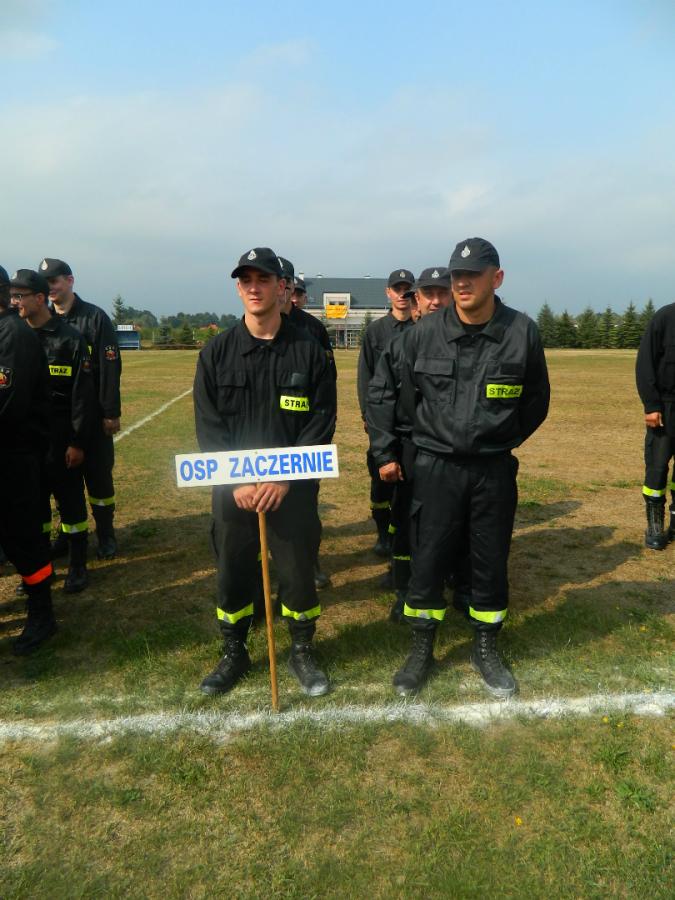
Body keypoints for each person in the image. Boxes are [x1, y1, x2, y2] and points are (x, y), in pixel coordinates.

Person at [393, 238, 550, 698]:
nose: (462, 284)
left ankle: (485, 647)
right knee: (428, 559)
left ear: (496, 278)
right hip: (436, 468)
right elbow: (406, 396)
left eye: (473, 275)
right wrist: (436, 439)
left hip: (492, 470)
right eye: (456, 276)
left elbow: (536, 402)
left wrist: (497, 440)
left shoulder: (521, 332)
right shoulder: (424, 333)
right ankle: (421, 649)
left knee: (489, 560)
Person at [194, 247, 337, 697]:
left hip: (290, 491)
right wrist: (236, 481)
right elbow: (209, 426)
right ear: (239, 289)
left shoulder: (309, 352)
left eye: (263, 280)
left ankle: (301, 650)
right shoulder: (217, 353)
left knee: (297, 574)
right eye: (246, 281)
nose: (254, 288)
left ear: (282, 288)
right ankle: (234, 650)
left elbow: (321, 421)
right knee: (233, 572)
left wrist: (283, 478)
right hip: (234, 493)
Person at [366, 267, 452, 622]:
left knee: (448, 523)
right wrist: (385, 453)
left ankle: (448, 582)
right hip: (409, 449)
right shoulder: (399, 344)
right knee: (406, 524)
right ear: (417, 300)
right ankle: (403, 590)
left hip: (452, 453)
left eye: (442, 293)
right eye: (428, 294)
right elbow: (380, 399)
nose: (435, 301)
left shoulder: (467, 344)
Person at [13, 269, 96, 592]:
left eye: (20, 296)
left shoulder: (69, 339)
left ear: (39, 298)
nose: (14, 301)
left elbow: (82, 397)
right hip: (27, 442)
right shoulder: (16, 337)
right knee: (34, 509)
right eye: (12, 295)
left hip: (61, 439)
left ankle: (78, 566)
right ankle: (42, 569)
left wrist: (77, 442)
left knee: (71, 505)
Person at [39, 258, 121, 559]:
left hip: (94, 416)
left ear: (70, 281)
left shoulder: (95, 318)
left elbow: (110, 367)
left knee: (99, 479)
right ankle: (68, 534)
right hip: (62, 420)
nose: (50, 288)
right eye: (45, 284)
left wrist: (110, 412)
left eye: (54, 281)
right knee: (64, 482)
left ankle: (106, 534)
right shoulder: (44, 320)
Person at [0, 264, 56, 653]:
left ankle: (42, 615)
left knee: (24, 539)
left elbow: (8, 403)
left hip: (14, 458)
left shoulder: (13, 335)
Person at [278, 257, 335, 590]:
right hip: (268, 437)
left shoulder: (313, 330)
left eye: (293, 287)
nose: (289, 293)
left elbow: (326, 388)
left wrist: (318, 440)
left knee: (305, 509)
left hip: (303, 438)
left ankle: (310, 562)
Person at [357, 269, 415, 558]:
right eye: (397, 288)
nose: (402, 294)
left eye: (407, 289)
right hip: (382, 422)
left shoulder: (423, 328)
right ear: (388, 293)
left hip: (412, 423)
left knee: (409, 484)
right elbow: (365, 377)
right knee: (381, 481)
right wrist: (369, 417)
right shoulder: (376, 332)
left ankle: (400, 535)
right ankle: (382, 535)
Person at [636, 300, 675, 549]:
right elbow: (645, 364)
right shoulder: (665, 317)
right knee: (657, 468)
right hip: (665, 409)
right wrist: (651, 405)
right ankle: (655, 527)